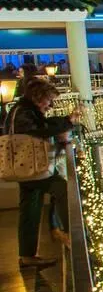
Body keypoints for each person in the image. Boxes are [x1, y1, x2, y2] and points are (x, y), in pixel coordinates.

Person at [6, 78, 75, 267]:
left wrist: (64, 122)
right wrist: (66, 123)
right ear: (38, 97)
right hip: (32, 168)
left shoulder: (23, 111)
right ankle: (71, 234)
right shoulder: (23, 113)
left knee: (30, 209)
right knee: (62, 189)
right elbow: (39, 131)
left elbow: (44, 124)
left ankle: (27, 255)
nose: (50, 105)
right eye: (48, 100)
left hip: (26, 168)